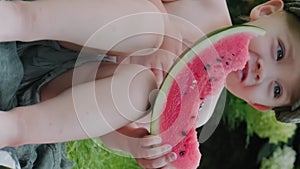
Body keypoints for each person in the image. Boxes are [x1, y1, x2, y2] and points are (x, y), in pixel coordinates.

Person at [0, 0, 300, 168]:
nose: (264, 72)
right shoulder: (206, 4)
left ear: (260, 105)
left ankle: (14, 130)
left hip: (49, 90)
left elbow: (104, 126)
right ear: (265, 11)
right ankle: (14, 18)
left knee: (143, 90)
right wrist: (163, 32)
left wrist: (135, 144)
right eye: (279, 52)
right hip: (56, 30)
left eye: (276, 89)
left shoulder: (199, 111)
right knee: (152, 26)